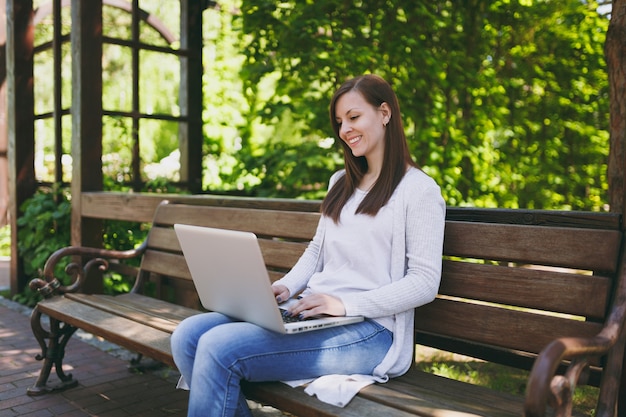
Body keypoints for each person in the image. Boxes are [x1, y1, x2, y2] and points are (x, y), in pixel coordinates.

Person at [170, 74, 446, 417]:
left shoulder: (419, 191)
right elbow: (318, 250)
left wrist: (344, 304)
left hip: (371, 331)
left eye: (354, 117)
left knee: (218, 347)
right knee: (188, 335)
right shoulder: (340, 183)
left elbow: (424, 282)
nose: (345, 129)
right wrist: (286, 286)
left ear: (385, 113)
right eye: (340, 121)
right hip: (313, 313)